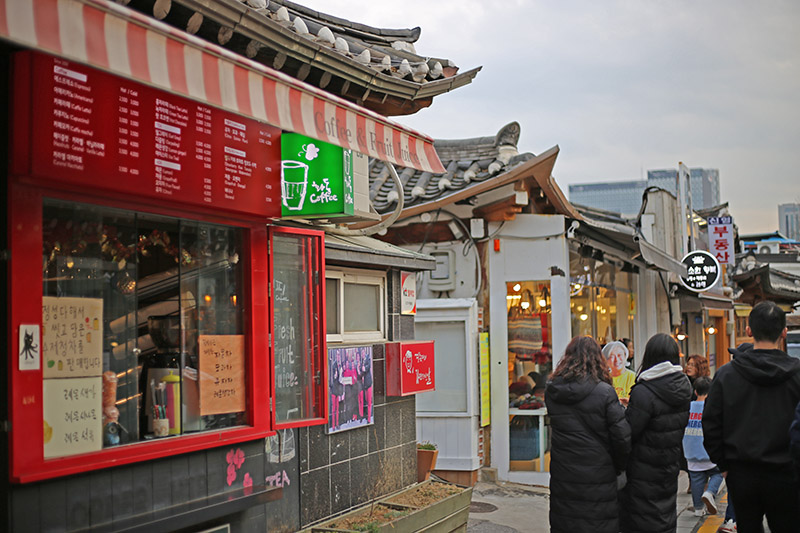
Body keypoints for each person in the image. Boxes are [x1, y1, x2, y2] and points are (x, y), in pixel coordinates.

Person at [703, 301, 800, 532]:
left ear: (749, 331)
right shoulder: (797, 373)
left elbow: (711, 423)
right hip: (788, 472)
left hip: (741, 472)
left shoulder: (727, 374)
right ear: (784, 332)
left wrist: (724, 466)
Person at [546, 336, 631, 533]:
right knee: (597, 523)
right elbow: (622, 437)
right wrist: (618, 467)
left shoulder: (553, 390)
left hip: (563, 470)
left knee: (566, 521)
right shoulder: (605, 392)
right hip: (598, 473)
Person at [620, 333, 692, 533]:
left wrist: (623, 412)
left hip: (643, 470)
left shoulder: (644, 390)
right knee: (664, 515)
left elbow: (629, 432)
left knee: (642, 519)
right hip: (668, 467)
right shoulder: (683, 386)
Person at [683, 376, 724, 517]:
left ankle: (698, 509)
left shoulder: (688, 408)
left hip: (691, 451)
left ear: (695, 392)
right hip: (708, 451)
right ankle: (710, 492)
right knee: (719, 473)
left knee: (696, 480)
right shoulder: (712, 408)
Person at [602, 341, 636, 406]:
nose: (616, 360)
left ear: (625, 356)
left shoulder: (633, 377)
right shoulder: (604, 377)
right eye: (612, 356)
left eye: (619, 355)